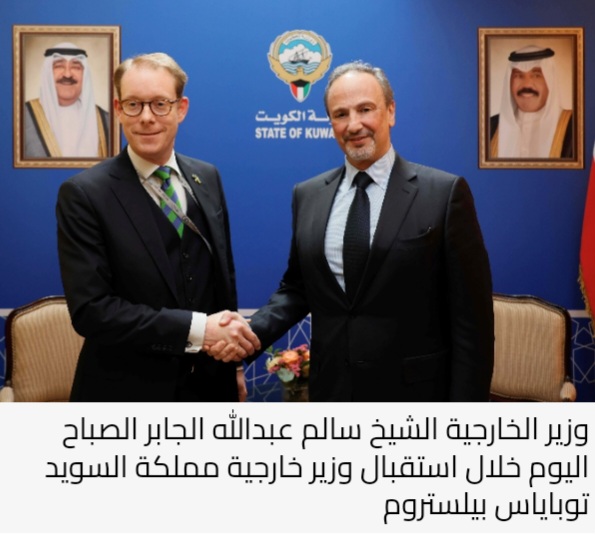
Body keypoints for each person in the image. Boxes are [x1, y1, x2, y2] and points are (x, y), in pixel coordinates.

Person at [214, 60, 494, 401]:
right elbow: (298, 289)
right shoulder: (308, 195)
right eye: (341, 114)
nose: (354, 124)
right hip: (333, 393)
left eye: (365, 109)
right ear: (331, 122)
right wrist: (248, 336)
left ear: (391, 111)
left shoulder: (444, 194)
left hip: (416, 397)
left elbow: (473, 323)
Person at [56, 52, 260, 402]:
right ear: (118, 109)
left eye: (160, 104)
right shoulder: (84, 194)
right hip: (127, 394)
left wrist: (235, 365)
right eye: (134, 104)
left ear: (181, 109)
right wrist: (200, 329)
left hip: (211, 385)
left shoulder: (207, 176)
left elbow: (221, 279)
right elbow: (92, 311)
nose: (146, 117)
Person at [24, 41, 110, 158]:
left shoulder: (107, 120)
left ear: (84, 75)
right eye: (59, 66)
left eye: (76, 67)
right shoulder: (22, 117)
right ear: (47, 73)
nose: (68, 74)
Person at [490, 45, 573, 159]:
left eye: (536, 75)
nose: (527, 84)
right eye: (518, 75)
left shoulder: (575, 126)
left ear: (550, 80)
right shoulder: (490, 126)